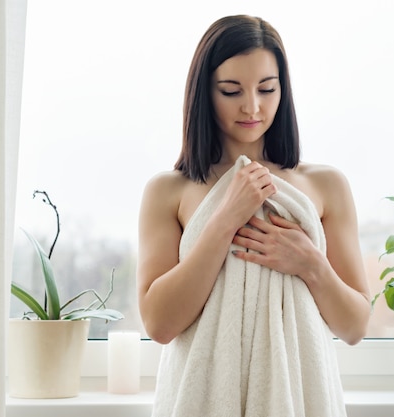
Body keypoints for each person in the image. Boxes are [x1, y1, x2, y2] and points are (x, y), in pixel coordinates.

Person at [137, 15, 371, 417]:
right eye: (231, 91)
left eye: (267, 88)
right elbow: (159, 324)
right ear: (204, 93)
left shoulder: (326, 185)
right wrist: (226, 217)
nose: (252, 106)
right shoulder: (168, 191)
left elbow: (354, 327)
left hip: (299, 398)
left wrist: (311, 263)